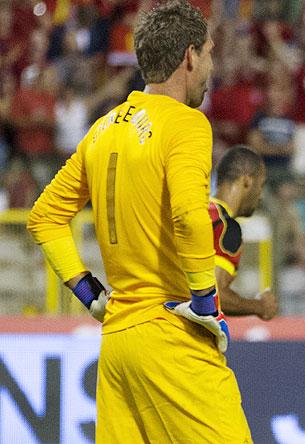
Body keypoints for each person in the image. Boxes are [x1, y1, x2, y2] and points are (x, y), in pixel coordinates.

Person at [26, 2, 253, 443]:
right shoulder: (186, 124)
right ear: (190, 56)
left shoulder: (102, 129)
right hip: (172, 335)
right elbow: (190, 216)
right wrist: (206, 303)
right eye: (208, 53)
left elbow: (44, 218)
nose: (210, 65)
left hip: (117, 345)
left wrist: (89, 293)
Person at [211, 145, 278, 320]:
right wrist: (260, 306)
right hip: (179, 336)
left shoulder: (198, 211)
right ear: (247, 181)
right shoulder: (225, 225)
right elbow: (212, 293)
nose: (260, 195)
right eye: (261, 185)